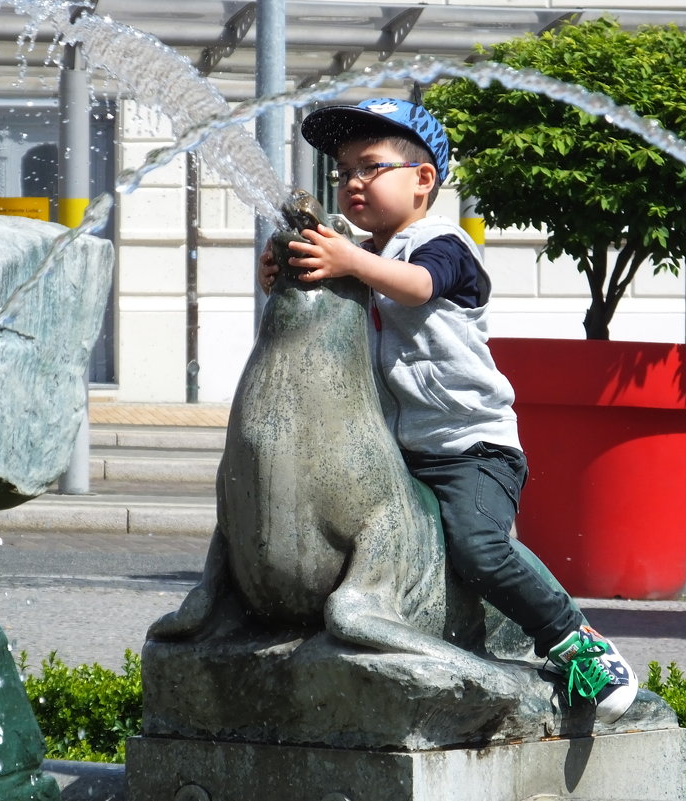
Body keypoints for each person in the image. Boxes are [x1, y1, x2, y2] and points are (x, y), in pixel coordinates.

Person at [258, 97, 637, 724]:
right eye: (344, 169)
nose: (352, 180)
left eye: (371, 166)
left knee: (479, 548)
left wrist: (349, 260)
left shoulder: (445, 245)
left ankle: (575, 642)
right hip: (395, 452)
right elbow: (334, 280)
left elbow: (418, 287)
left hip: (471, 449)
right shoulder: (364, 253)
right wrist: (285, 265)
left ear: (423, 180)